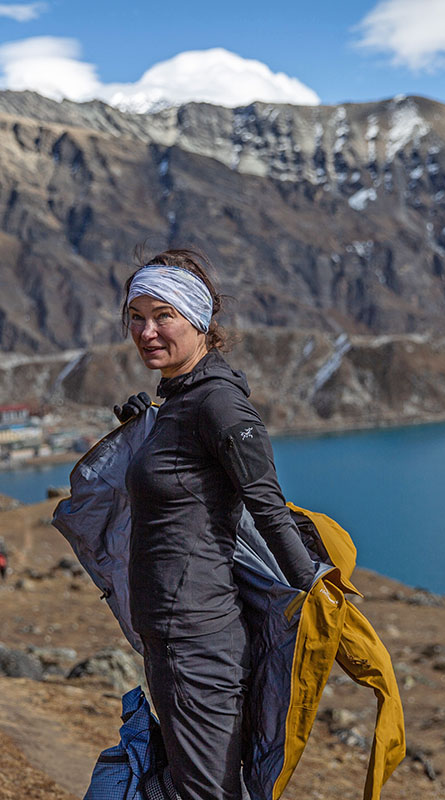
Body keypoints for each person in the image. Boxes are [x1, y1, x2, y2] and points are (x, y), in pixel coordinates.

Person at [115, 248, 317, 800]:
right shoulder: (179, 401)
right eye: (137, 317)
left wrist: (317, 594)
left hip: (198, 637)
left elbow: (267, 507)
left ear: (198, 320)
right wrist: (143, 428)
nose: (147, 331)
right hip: (170, 633)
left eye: (164, 316)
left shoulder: (219, 405)